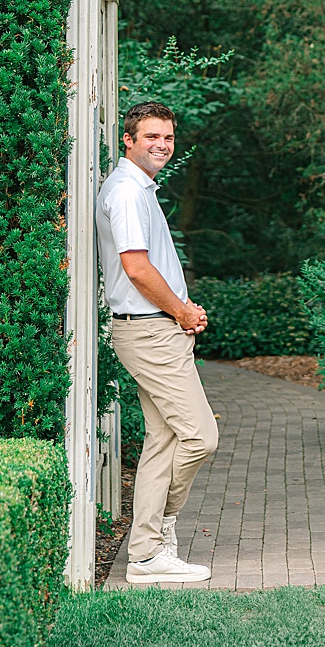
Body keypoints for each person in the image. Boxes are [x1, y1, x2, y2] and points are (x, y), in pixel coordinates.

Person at [97, 100, 217, 584]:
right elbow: (136, 267)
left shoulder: (139, 189)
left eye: (167, 137)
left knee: (164, 437)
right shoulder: (127, 191)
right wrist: (181, 310)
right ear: (129, 140)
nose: (162, 146)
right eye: (151, 137)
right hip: (148, 329)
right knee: (201, 435)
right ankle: (157, 536)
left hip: (154, 327)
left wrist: (182, 311)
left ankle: (146, 555)